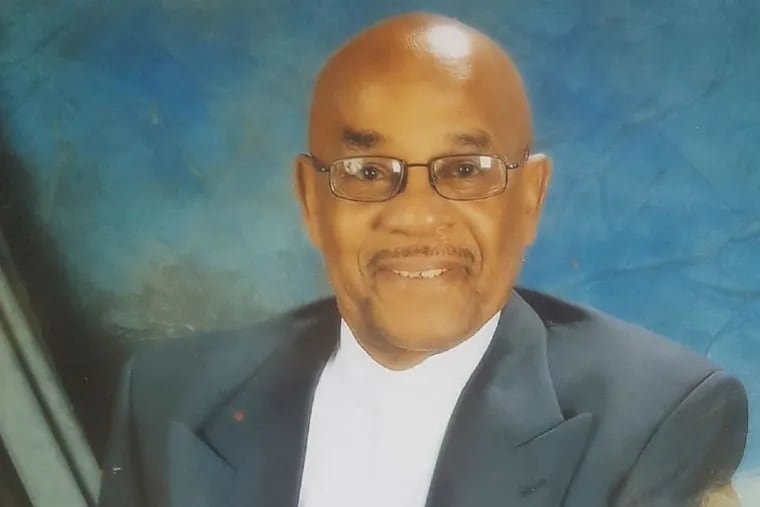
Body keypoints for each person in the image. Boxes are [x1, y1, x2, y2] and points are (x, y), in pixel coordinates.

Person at [98, 12, 748, 507]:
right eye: (366, 171)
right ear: (310, 200)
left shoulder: (657, 419)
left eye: (465, 169)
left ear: (530, 197)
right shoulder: (170, 395)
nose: (414, 214)